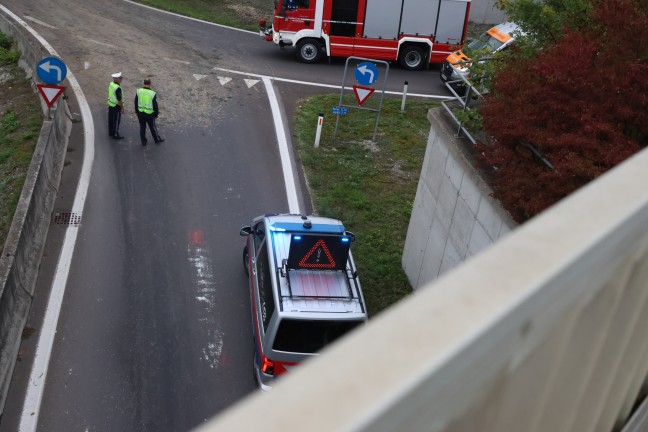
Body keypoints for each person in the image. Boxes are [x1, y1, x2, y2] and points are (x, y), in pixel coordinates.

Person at [134, 78, 164, 146]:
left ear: (144, 83)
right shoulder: (152, 93)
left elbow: (135, 102)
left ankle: (143, 142)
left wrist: (136, 111)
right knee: (152, 127)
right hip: (150, 114)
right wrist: (156, 114)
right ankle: (156, 139)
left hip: (140, 113)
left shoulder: (139, 91)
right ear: (150, 84)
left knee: (142, 127)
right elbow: (155, 105)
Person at [107, 72, 125, 139]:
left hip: (111, 104)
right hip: (116, 106)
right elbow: (119, 100)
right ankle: (115, 134)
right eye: (120, 78)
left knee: (111, 119)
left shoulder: (111, 84)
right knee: (116, 120)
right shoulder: (117, 88)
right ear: (117, 79)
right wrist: (122, 108)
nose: (122, 79)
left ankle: (110, 132)